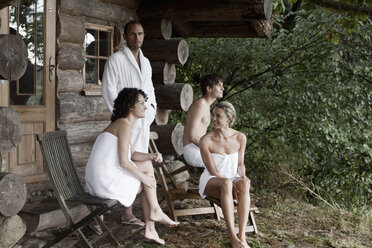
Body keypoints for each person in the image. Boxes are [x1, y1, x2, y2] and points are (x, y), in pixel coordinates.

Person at [85, 88, 178, 245]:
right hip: (104, 183)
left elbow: (133, 154)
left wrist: (152, 156)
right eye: (141, 103)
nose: (145, 107)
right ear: (130, 106)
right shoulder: (124, 125)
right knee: (145, 180)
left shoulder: (121, 124)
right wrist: (144, 178)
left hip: (99, 180)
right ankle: (152, 219)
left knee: (147, 166)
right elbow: (124, 162)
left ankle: (151, 226)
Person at [101, 20, 156, 225]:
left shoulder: (147, 63)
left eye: (140, 34)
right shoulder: (115, 60)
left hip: (142, 121)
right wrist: (125, 117)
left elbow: (150, 93)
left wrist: (149, 113)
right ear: (125, 36)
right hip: (124, 122)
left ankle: (128, 213)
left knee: (138, 163)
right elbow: (109, 91)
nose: (137, 38)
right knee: (121, 163)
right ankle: (109, 211)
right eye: (133, 34)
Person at [199, 101, 251, 248]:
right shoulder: (206, 140)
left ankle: (242, 236)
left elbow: (240, 165)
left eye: (218, 116)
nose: (213, 119)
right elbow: (213, 170)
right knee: (227, 183)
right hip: (212, 179)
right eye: (213, 115)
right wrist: (229, 182)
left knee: (245, 183)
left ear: (229, 119)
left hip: (231, 178)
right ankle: (232, 237)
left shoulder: (240, 137)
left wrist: (242, 177)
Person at [183, 74, 224, 168]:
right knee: (223, 163)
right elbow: (192, 136)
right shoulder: (200, 105)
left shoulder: (206, 106)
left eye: (222, 86)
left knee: (228, 158)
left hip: (199, 148)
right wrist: (212, 149)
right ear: (209, 89)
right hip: (192, 150)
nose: (223, 89)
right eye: (219, 86)